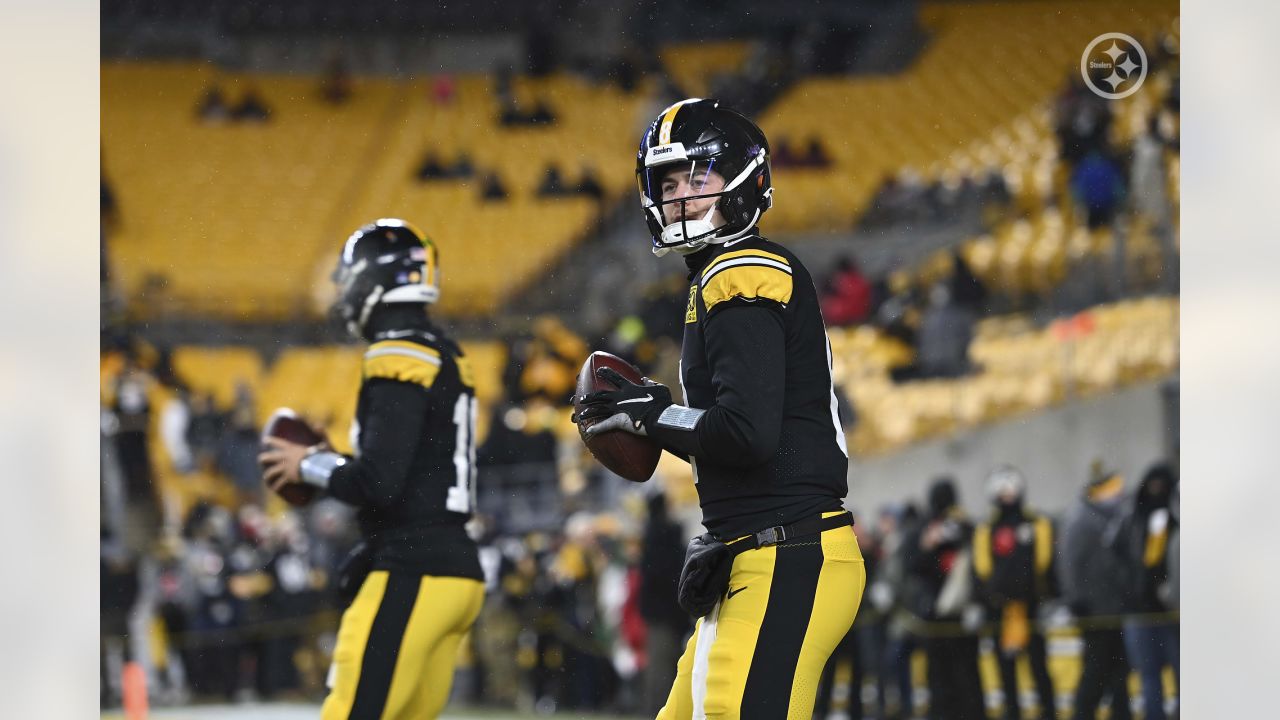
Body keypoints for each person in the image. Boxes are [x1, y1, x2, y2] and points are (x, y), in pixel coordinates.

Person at [574, 98, 864, 720]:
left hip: (787, 550)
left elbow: (745, 433)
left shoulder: (741, 269)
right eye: (669, 182)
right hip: (758, 551)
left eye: (697, 177)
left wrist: (650, 414)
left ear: (742, 180)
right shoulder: (717, 276)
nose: (679, 197)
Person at [259, 218, 484, 719]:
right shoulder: (446, 351)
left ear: (375, 280)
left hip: (413, 567)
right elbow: (409, 469)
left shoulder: (397, 352)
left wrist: (310, 464)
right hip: (454, 570)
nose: (344, 293)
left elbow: (377, 482)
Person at [972, 466, 1057, 720]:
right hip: (1001, 610)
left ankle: (1048, 711)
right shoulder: (986, 529)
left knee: (1039, 666)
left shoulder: (1037, 523)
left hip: (1032, 608)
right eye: (1001, 490)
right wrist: (983, 603)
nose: (1007, 495)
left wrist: (1050, 599)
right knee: (1006, 671)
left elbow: (1046, 564)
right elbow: (981, 570)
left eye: (1010, 489)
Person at [903, 478, 985, 720]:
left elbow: (978, 565)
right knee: (941, 676)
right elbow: (912, 566)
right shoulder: (924, 529)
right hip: (935, 616)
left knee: (966, 675)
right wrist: (928, 544)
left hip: (960, 615)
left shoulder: (964, 525)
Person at [1059, 464, 1133, 720]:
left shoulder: (1113, 517)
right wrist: (1076, 601)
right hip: (1095, 611)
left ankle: (1119, 713)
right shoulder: (1081, 519)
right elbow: (1070, 565)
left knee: (1118, 671)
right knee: (1096, 670)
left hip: (1115, 608)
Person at [1117, 462, 1179, 720]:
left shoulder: (1169, 521)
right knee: (1149, 676)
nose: (1156, 491)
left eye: (1161, 487)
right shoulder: (1133, 520)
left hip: (1169, 614)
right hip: (1140, 613)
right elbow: (1124, 561)